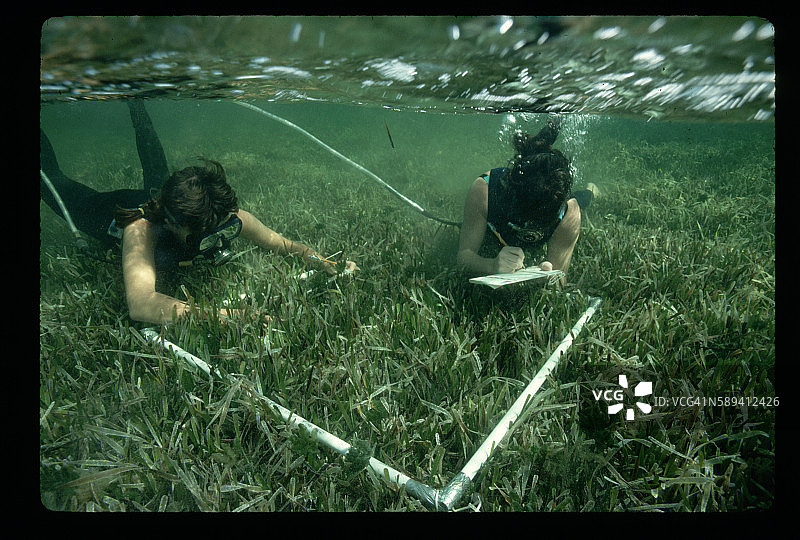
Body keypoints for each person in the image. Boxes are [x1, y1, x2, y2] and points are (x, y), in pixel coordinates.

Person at [40, 100, 357, 325]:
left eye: (223, 224)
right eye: (207, 233)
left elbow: (283, 244)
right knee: (54, 184)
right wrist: (224, 317)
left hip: (166, 202)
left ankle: (136, 103)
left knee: (156, 171)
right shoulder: (141, 228)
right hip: (108, 211)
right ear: (174, 223)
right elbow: (141, 304)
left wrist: (320, 260)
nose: (220, 235)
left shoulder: (223, 216)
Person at [456, 114, 597, 278]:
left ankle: (592, 190)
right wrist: (491, 265)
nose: (530, 224)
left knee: (585, 197)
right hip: (494, 227)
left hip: (566, 204)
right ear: (510, 190)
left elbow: (559, 280)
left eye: (540, 220)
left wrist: (549, 276)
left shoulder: (568, 211)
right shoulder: (485, 189)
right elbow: (464, 256)